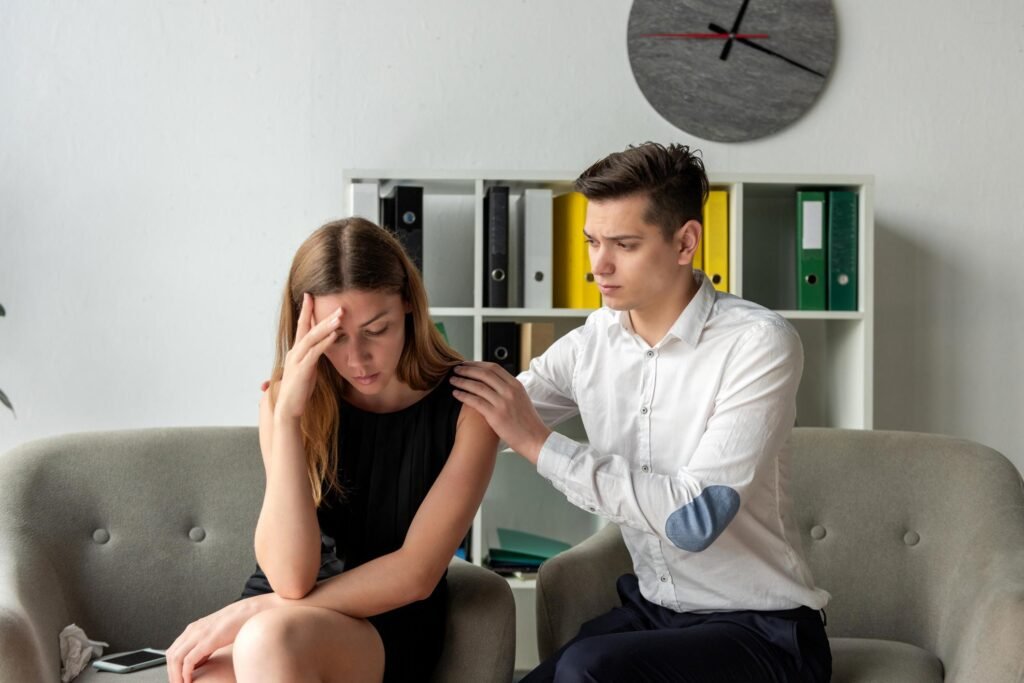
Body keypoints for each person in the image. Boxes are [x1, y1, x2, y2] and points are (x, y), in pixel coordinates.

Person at [451, 142, 832, 682]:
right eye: (591, 242)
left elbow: (694, 519)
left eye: (624, 245)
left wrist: (539, 445)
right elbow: (493, 412)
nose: (598, 266)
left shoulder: (758, 343)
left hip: (764, 631)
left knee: (589, 670)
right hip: (655, 614)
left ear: (686, 242)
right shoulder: (594, 341)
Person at [166, 218, 498, 683]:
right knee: (207, 675)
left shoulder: (470, 407)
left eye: (376, 330)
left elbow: (416, 574)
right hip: (284, 607)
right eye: (334, 338)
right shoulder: (287, 401)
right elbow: (289, 578)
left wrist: (256, 612)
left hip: (387, 619)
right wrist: (286, 419)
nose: (356, 360)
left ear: (408, 303)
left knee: (266, 639)